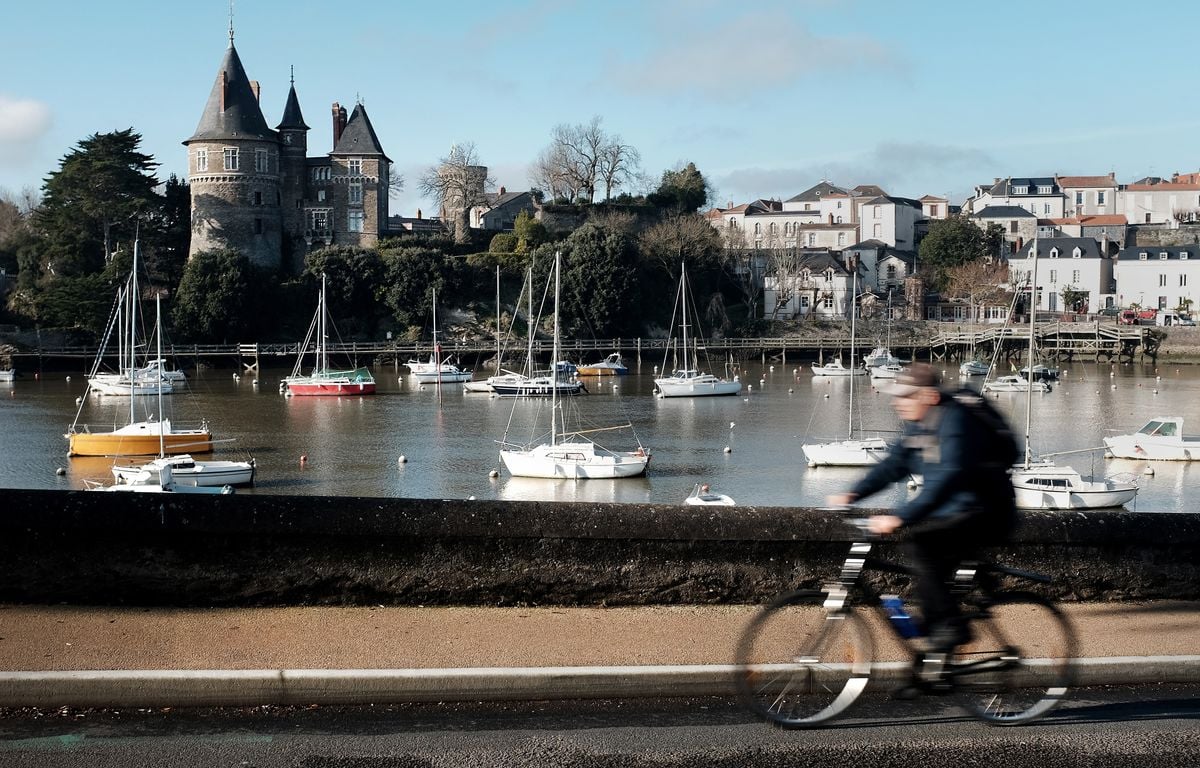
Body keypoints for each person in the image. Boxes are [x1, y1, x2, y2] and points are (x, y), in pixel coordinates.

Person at [828, 363, 1019, 679]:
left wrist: (899, 516)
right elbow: (893, 466)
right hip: (954, 511)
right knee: (927, 580)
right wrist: (852, 494)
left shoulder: (956, 421)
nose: (897, 402)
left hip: (986, 511)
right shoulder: (919, 425)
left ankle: (954, 630)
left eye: (906, 396)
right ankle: (931, 669)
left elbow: (947, 480)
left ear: (929, 396)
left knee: (920, 545)